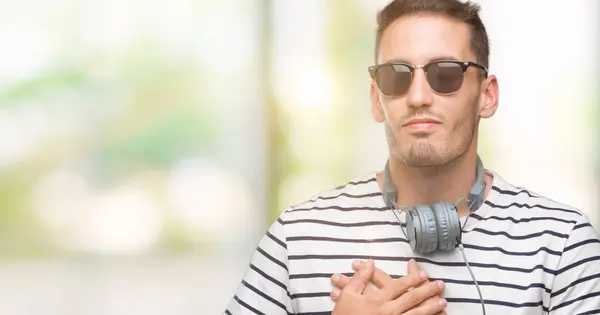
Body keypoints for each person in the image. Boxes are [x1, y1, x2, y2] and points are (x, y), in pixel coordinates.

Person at [224, 0, 600, 314]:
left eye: (447, 73)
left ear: (487, 96)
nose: (418, 96)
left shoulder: (561, 244)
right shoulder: (296, 238)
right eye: (396, 76)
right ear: (376, 99)